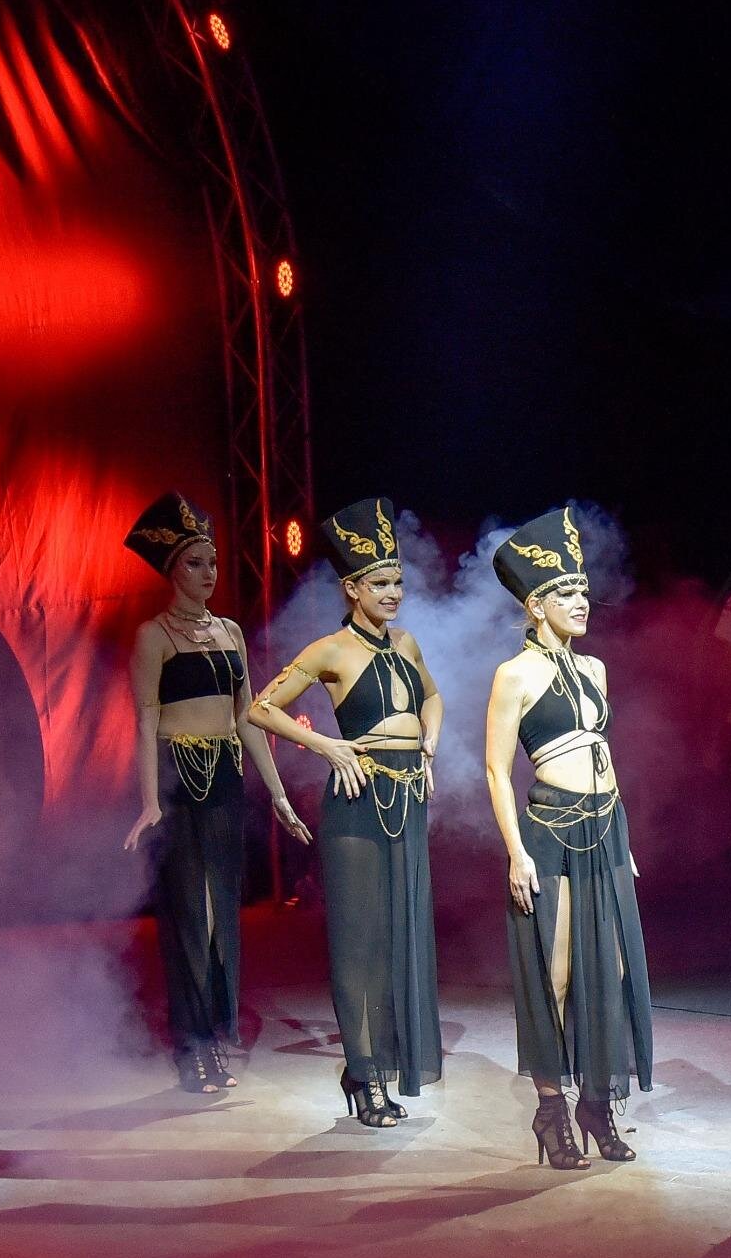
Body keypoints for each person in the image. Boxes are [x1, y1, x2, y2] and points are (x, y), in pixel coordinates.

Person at [246, 497, 444, 1126]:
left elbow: (432, 698)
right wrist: (327, 747)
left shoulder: (407, 643)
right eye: (380, 583)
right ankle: (366, 1074)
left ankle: (376, 1067)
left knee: (399, 938)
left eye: (398, 582)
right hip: (358, 803)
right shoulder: (330, 650)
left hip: (406, 799)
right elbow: (259, 709)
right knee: (361, 943)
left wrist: (429, 746)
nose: (393, 594)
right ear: (352, 588)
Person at [479, 502, 653, 1169]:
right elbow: (496, 769)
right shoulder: (514, 675)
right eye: (566, 593)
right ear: (535, 605)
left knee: (609, 968)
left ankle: (597, 1104)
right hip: (549, 829)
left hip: (606, 826)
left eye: (584, 590)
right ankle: (552, 1111)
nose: (582, 602)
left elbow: (605, 755)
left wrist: (624, 839)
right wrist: (515, 852)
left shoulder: (596, 669)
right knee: (554, 973)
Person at [121, 493, 309, 1092]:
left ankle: (216, 1036)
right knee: (187, 912)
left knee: (220, 911)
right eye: (195, 563)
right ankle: (192, 1047)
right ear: (172, 570)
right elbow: (145, 722)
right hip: (177, 778)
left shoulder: (230, 632)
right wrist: (149, 802)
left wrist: (278, 794)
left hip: (225, 776)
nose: (209, 573)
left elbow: (248, 717)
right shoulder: (153, 636)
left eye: (214, 562)